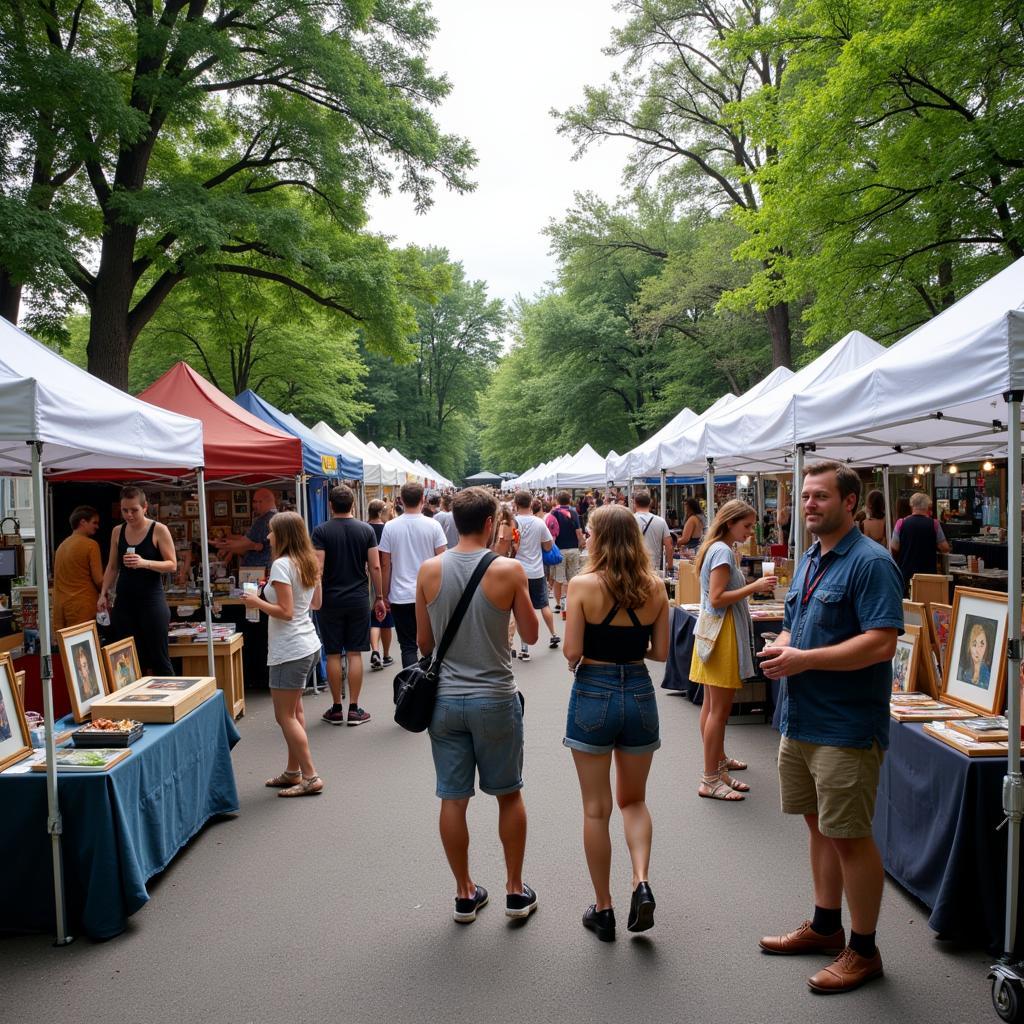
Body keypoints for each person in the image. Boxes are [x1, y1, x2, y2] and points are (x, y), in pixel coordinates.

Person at [759, 461, 903, 994]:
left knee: (850, 836)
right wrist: (785, 641)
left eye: (821, 496)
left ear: (850, 502)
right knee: (818, 826)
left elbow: (881, 642)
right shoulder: (811, 559)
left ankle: (863, 951)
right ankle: (825, 927)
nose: (810, 505)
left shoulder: (871, 562)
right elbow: (801, 623)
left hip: (845, 724)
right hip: (801, 719)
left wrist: (805, 659)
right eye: (805, 497)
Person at [415, 487, 539, 924]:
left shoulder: (429, 570)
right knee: (508, 794)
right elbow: (531, 634)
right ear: (490, 524)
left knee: (453, 797)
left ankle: (464, 894)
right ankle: (513, 890)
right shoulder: (508, 570)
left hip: (445, 702)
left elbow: (425, 643)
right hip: (495, 697)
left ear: (454, 521)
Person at [562, 505, 670, 941]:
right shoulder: (656, 587)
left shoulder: (582, 585)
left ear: (599, 538)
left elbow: (571, 652)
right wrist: (630, 648)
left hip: (593, 689)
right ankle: (640, 881)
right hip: (640, 692)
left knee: (595, 808)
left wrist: (599, 649)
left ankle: (603, 908)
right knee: (634, 801)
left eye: (589, 533)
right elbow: (660, 653)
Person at [689, 500, 777, 801]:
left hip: (710, 633)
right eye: (747, 526)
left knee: (711, 708)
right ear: (730, 523)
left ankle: (716, 766)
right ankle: (711, 777)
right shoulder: (723, 551)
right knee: (719, 711)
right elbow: (717, 597)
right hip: (721, 635)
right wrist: (755, 586)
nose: (750, 531)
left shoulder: (717, 548)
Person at [242, 511, 324, 797]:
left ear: (283, 535)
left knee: (285, 716)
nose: (267, 536)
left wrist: (256, 601)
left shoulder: (281, 565)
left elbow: (285, 613)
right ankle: (293, 771)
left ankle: (311, 776)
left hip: (289, 648)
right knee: (295, 712)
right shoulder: (308, 561)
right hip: (308, 643)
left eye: (271, 531)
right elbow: (316, 603)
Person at [312, 484, 385, 727]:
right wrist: (380, 597)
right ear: (353, 504)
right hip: (357, 598)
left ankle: (335, 708)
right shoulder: (366, 530)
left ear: (330, 505)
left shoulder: (321, 531)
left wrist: (315, 598)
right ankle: (354, 709)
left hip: (330, 600)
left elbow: (318, 569)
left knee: (333, 652)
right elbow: (375, 566)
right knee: (354, 652)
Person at [98, 486, 177, 675]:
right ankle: (136, 702)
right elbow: (112, 566)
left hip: (151, 601)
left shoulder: (158, 530)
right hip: (124, 603)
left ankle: (169, 701)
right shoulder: (118, 531)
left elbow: (172, 564)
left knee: (159, 660)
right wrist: (103, 594)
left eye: (134, 510)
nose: (129, 515)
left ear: (145, 507)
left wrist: (145, 563)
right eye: (125, 510)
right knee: (128, 661)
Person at [380, 482, 447, 667]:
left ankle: (410, 689)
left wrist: (383, 594)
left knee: (407, 646)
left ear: (401, 500)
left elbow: (385, 564)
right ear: (422, 499)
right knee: (432, 644)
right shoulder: (433, 526)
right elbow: (443, 560)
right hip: (429, 594)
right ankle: (431, 683)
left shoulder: (390, 527)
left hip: (401, 595)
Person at [512, 490, 559, 659]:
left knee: (520, 610)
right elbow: (548, 546)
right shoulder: (539, 523)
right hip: (537, 570)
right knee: (544, 604)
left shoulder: (513, 522)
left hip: (518, 571)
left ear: (516, 504)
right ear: (531, 503)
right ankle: (553, 634)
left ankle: (524, 648)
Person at [53, 506, 104, 630]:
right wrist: (108, 594)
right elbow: (99, 580)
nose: (97, 526)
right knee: (85, 647)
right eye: (94, 522)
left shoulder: (61, 546)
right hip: (83, 608)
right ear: (82, 522)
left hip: (61, 609)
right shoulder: (91, 545)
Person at [890, 492, 950, 594]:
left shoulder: (901, 523)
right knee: (927, 602)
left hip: (906, 573)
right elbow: (944, 547)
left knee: (907, 605)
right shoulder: (934, 524)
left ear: (911, 506)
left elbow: (894, 547)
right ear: (928, 506)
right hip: (928, 574)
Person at [214, 488, 278, 570]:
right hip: (267, 567)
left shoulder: (264, 520)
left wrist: (224, 545)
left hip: (258, 570)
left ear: (263, 501)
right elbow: (251, 543)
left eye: (255, 502)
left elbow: (244, 543)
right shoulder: (277, 518)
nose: (254, 505)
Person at [367, 500, 395, 670]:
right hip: (384, 577)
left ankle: (375, 650)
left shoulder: (363, 528)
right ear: (380, 513)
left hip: (367, 578)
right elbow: (386, 561)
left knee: (373, 617)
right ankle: (385, 654)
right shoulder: (387, 529)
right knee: (386, 618)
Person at [550, 490, 586, 618]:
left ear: (557, 500)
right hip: (573, 549)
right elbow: (578, 531)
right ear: (569, 500)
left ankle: (559, 605)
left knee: (558, 579)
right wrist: (582, 542)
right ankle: (571, 604)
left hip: (559, 550)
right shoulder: (574, 512)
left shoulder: (554, 513)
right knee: (572, 579)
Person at [633, 489, 673, 575]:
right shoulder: (661, 521)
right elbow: (669, 546)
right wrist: (670, 567)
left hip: (634, 566)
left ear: (635, 503)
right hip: (654, 567)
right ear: (650, 503)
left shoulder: (629, 520)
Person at [962, 623, 991, 689]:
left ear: (986, 647)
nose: (977, 650)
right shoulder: (966, 673)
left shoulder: (988, 676)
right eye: (974, 645)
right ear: (969, 647)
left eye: (981, 645)